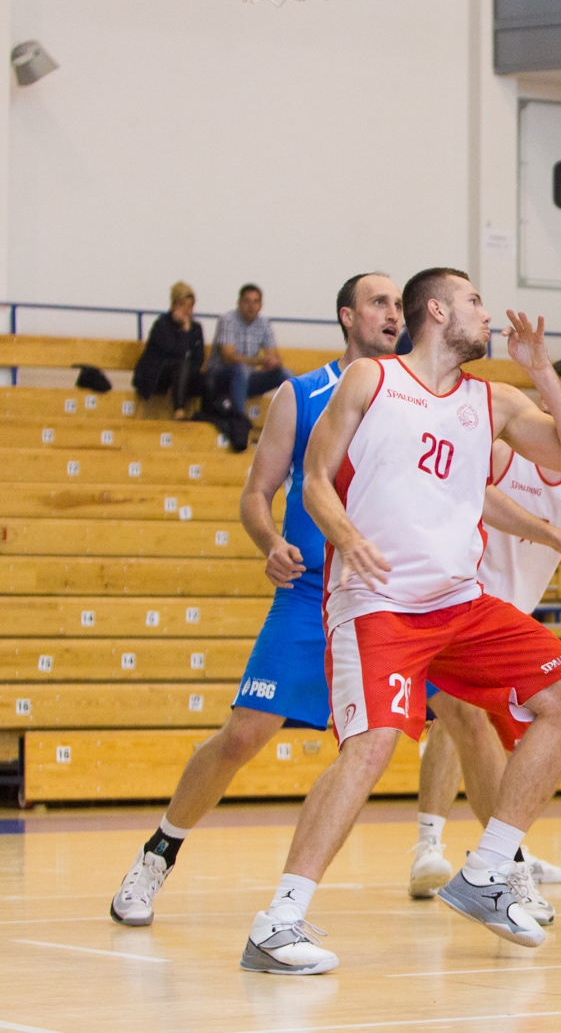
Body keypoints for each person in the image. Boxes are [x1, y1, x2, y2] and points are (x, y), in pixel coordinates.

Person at [238, 269, 561, 974]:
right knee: (374, 744)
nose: (486, 312)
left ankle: (487, 870)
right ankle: (278, 919)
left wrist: (543, 375)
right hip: (378, 600)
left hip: (460, 604)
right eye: (473, 300)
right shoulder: (370, 383)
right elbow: (314, 479)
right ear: (436, 310)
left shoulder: (492, 400)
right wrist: (346, 535)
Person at [111, 273, 404, 927]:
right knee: (244, 733)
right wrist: (269, 539)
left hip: (385, 597)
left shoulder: (414, 401)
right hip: (307, 593)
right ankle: (160, 850)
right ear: (347, 316)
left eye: (398, 305)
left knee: (451, 717)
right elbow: (254, 493)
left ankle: (500, 860)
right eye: (380, 302)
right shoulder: (301, 396)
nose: (394, 314)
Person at [408, 357, 561, 903]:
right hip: (461, 601)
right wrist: (554, 535)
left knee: (529, 737)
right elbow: (471, 493)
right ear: (545, 396)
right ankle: (433, 849)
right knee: (461, 718)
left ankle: (504, 852)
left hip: (514, 620)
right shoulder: (507, 448)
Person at [206, 283, 291, 416]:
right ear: (239, 303)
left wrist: (274, 363)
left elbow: (274, 355)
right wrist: (261, 361)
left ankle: (297, 421)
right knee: (240, 369)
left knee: (285, 373)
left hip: (247, 379)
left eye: (255, 302)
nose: (251, 306)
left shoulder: (264, 323)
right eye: (247, 301)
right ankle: (239, 420)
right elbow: (228, 358)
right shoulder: (227, 320)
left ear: (261, 305)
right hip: (221, 378)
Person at [132, 281, 206, 419]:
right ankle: (179, 411)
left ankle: (208, 417)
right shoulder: (162, 325)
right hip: (156, 376)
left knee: (209, 380)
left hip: (181, 377)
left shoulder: (196, 328)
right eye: (182, 305)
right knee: (181, 365)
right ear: (173, 305)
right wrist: (184, 331)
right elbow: (176, 352)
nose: (187, 310)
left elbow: (198, 358)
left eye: (190, 306)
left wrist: (183, 379)